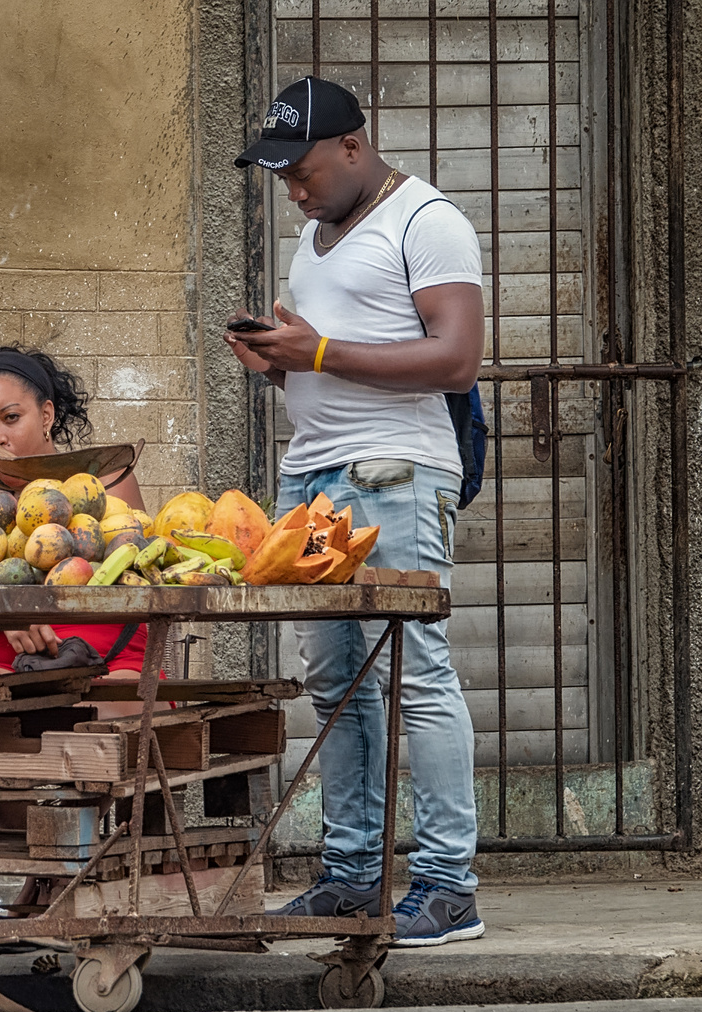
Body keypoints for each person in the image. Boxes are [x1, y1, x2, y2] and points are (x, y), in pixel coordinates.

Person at [229, 76, 484, 946]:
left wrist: (323, 349)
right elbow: (325, 364)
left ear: (351, 146)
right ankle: (350, 878)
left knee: (418, 673)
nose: (293, 190)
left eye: (300, 171)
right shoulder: (314, 236)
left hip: (395, 476)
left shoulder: (426, 221)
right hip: (310, 480)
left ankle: (449, 887)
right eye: (281, 177)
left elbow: (455, 358)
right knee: (336, 680)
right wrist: (277, 360)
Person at [0, 347, 151, 680]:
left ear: (46, 416)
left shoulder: (105, 483)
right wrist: (3, 614)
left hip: (109, 659)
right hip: (4, 661)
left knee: (102, 712)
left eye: (10, 418)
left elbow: (143, 587)